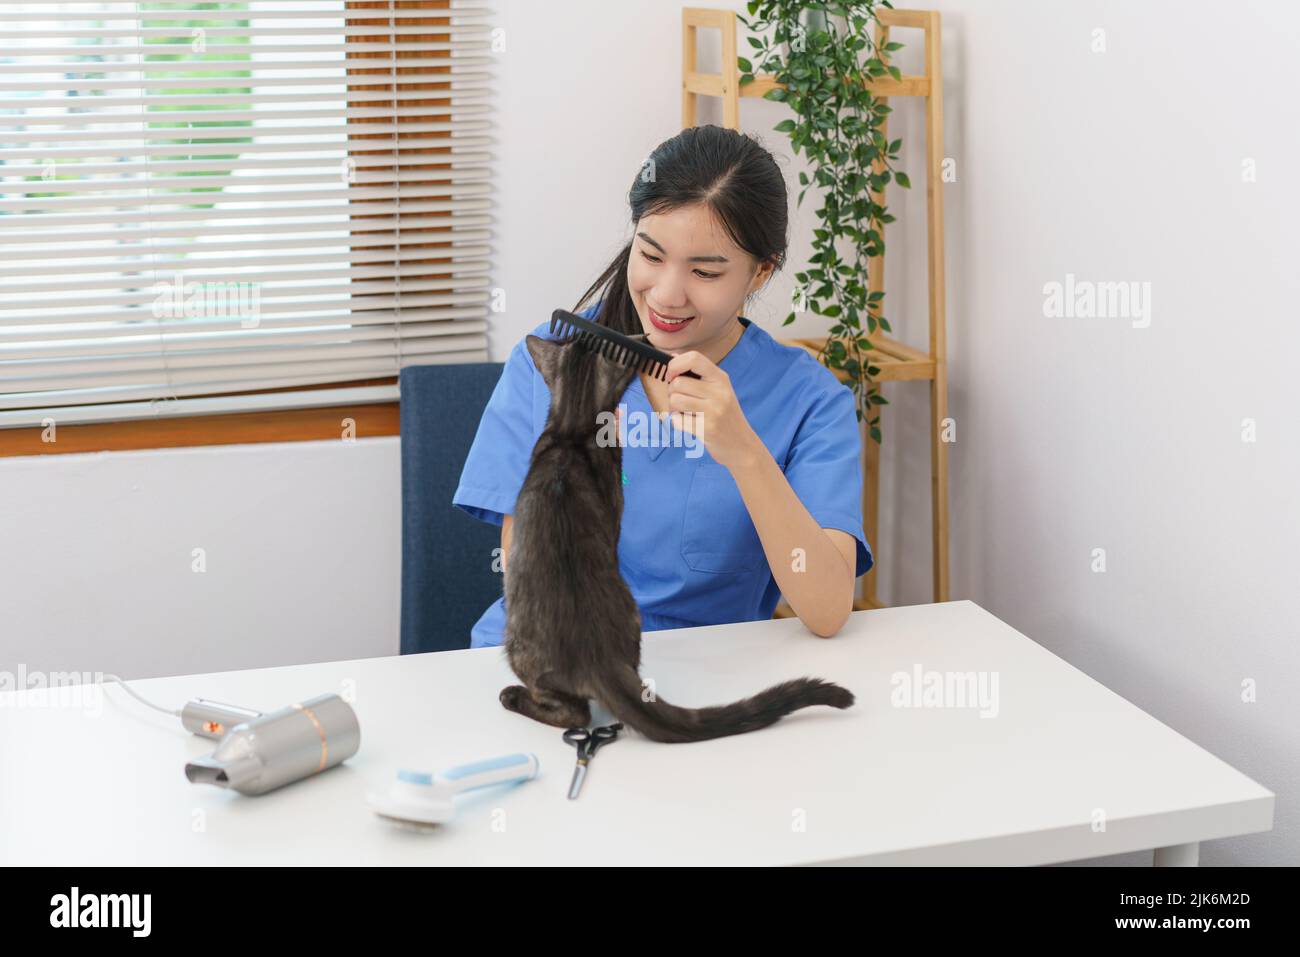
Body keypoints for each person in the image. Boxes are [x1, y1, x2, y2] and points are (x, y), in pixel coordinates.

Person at [452, 124, 873, 649]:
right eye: (650, 256)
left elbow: (827, 610)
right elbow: (528, 576)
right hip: (555, 657)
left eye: (705, 271)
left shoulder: (810, 401)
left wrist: (743, 450)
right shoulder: (552, 361)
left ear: (760, 273)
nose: (667, 295)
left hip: (709, 676)